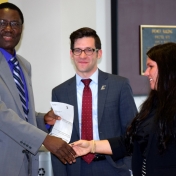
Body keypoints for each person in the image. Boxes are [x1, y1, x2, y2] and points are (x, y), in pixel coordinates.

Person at [71, 42, 176, 176]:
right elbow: (130, 142)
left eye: (151, 67)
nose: (146, 73)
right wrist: (91, 146)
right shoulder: (155, 103)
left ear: (168, 69)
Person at [0, 2, 76, 176]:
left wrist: (43, 120)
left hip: (26, 164)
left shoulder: (24, 65)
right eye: (2, 23)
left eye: (14, 24)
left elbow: (21, 113)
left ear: (21, 28)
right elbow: (2, 115)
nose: (8, 29)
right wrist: (44, 139)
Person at [51, 27, 137, 176]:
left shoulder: (119, 85)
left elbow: (133, 133)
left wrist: (128, 168)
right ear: (71, 54)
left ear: (99, 53)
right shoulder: (60, 92)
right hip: (76, 168)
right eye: (77, 50)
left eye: (89, 50)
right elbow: (59, 140)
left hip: (113, 167)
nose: (82, 55)